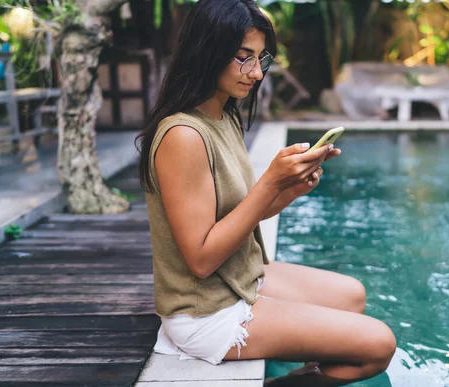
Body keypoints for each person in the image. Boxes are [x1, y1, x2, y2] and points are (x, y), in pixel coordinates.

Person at [135, 0, 396, 385]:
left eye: (261, 58)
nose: (256, 73)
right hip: (206, 309)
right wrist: (270, 183)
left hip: (241, 276)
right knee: (379, 345)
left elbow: (237, 214)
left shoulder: (223, 115)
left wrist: (287, 191)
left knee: (354, 295)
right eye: (244, 58)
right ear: (208, 51)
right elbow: (202, 260)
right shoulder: (183, 136)